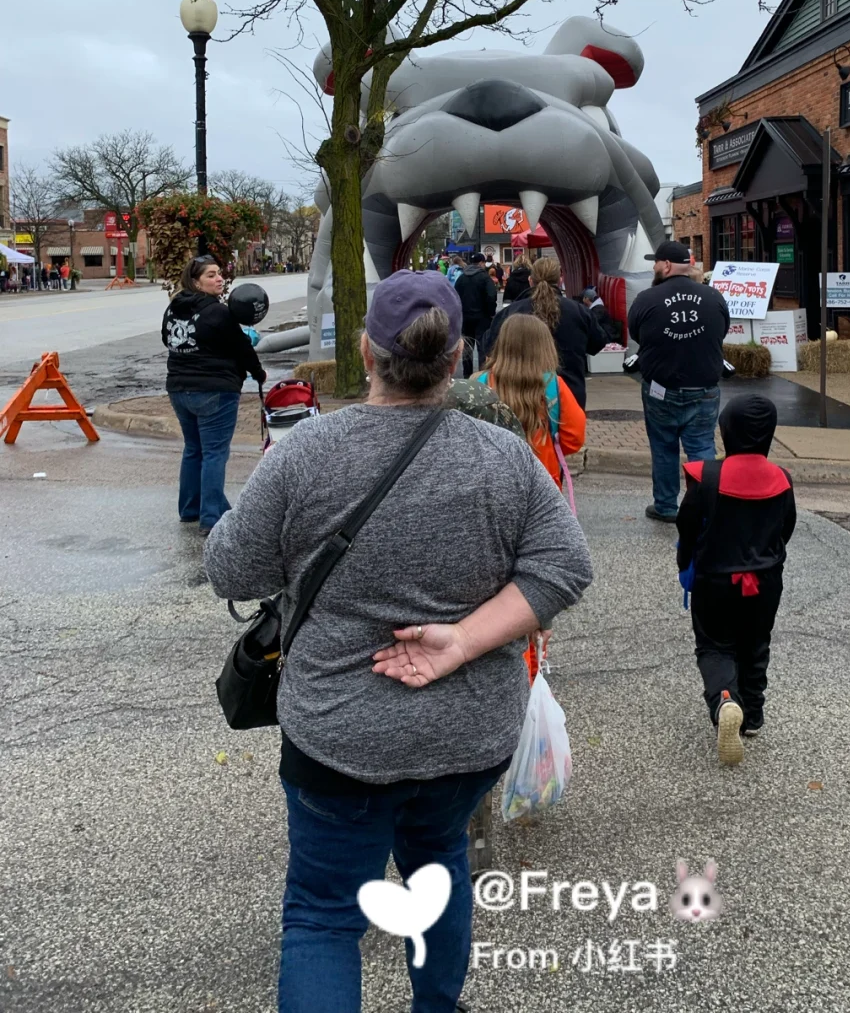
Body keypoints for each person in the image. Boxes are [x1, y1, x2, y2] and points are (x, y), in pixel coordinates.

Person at [203, 270, 592, 1013]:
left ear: (366, 350)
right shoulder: (501, 457)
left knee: (322, 915)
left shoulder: (307, 451)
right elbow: (565, 566)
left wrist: (266, 502)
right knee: (437, 865)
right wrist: (464, 640)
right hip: (467, 733)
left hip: (338, 736)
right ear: (455, 359)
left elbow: (229, 564)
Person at [675, 395, 796, 766]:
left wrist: (685, 567)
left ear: (726, 432)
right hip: (765, 582)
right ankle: (753, 714)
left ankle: (726, 700)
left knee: (714, 646)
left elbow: (687, 526)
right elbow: (785, 528)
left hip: (715, 581)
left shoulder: (707, 477)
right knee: (756, 643)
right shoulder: (781, 479)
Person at [627, 240, 730, 524]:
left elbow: (637, 334)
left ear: (667, 265)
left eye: (656, 262)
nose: (654, 267)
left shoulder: (646, 299)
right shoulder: (713, 297)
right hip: (704, 388)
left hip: (661, 389)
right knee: (701, 447)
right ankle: (705, 507)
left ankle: (666, 506)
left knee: (663, 447)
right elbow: (722, 330)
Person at [161, 255, 265, 534]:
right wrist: (258, 373)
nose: (219, 279)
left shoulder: (173, 309)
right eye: (211, 275)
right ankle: (211, 518)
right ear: (195, 282)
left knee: (193, 450)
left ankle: (189, 509)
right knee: (215, 453)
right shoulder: (218, 313)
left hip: (178, 389)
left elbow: (166, 339)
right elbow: (242, 347)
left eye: (219, 273)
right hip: (214, 391)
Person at [476, 314, 586, 488]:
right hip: (543, 479)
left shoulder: (479, 384)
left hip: (490, 480)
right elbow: (574, 437)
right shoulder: (553, 385)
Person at [485, 256, 605, 409]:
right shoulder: (579, 312)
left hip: (521, 395)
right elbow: (598, 344)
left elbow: (489, 346)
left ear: (530, 280)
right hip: (569, 393)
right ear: (559, 280)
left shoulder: (511, 312)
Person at [453, 250, 497, 377]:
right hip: (482, 318)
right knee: (483, 347)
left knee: (467, 348)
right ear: (482, 263)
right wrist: (491, 312)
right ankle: (482, 375)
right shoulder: (484, 278)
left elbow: (455, 297)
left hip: (465, 318)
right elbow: (491, 295)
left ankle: (468, 375)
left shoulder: (461, 278)